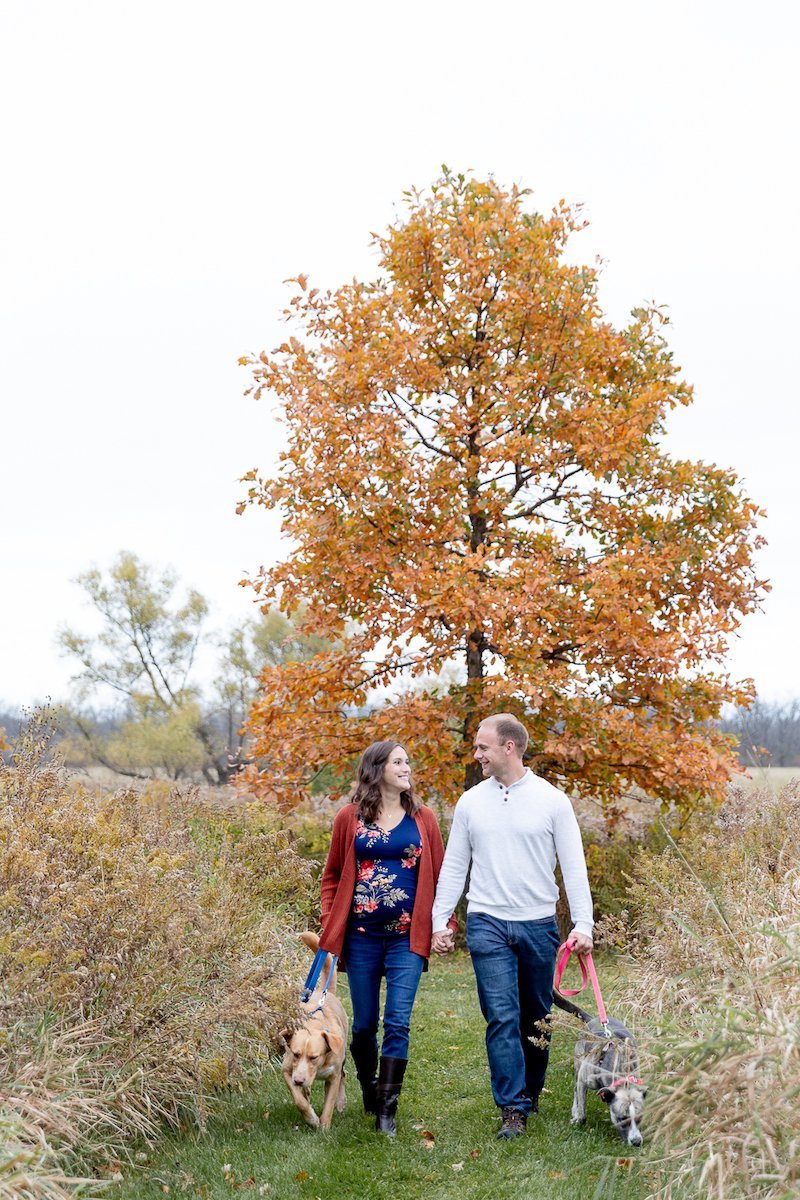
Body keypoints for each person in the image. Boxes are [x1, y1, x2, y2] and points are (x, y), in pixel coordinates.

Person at [430, 713, 594, 1140]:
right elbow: (454, 867)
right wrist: (439, 920)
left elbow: (574, 868)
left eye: (483, 747)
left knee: (536, 1017)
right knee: (501, 1016)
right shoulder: (470, 802)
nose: (476, 754)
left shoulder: (553, 801)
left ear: (509, 747)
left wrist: (584, 924)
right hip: (487, 921)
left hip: (538, 924)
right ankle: (513, 1108)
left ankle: (532, 1091)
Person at [319, 740, 456, 1136]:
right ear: (376, 768)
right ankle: (368, 1086)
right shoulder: (349, 818)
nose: (407, 767)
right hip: (360, 938)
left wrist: (442, 925)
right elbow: (331, 876)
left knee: (397, 1021)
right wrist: (331, 923)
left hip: (405, 939)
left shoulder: (423, 818)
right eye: (398, 761)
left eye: (407, 761)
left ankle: (387, 1112)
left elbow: (443, 878)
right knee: (363, 1027)